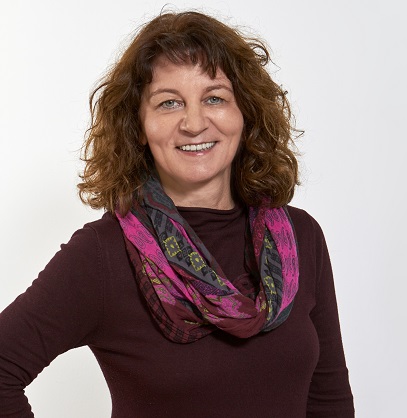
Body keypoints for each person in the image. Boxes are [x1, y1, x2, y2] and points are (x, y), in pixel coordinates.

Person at [0, 11, 354, 418]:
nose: (194, 123)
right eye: (169, 103)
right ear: (139, 125)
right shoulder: (104, 254)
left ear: (245, 113)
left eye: (215, 98)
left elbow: (328, 399)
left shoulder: (300, 236)